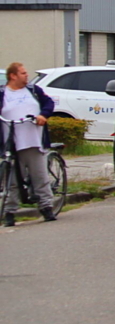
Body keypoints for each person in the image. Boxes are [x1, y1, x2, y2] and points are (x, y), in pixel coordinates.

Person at [1, 62, 57, 226]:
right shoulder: (3, 93)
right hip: (11, 143)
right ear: (13, 76)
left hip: (32, 140)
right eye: (23, 73)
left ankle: (46, 207)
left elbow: (48, 103)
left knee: (39, 175)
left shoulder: (33, 90)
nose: (27, 76)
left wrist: (43, 115)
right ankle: (9, 212)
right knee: (12, 180)